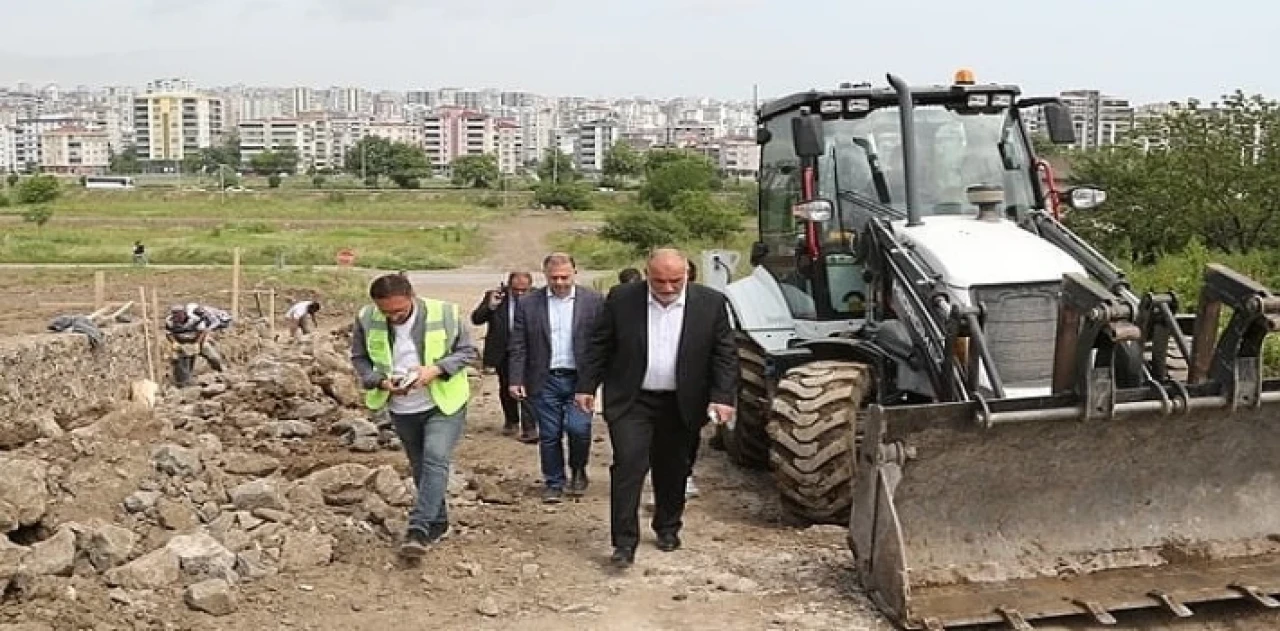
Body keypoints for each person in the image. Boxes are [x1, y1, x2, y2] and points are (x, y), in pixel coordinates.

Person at [576, 248, 738, 568]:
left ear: (688, 275)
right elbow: (599, 344)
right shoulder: (622, 299)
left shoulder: (710, 303)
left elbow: (725, 354)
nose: (667, 288)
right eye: (659, 281)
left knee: (674, 468)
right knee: (628, 465)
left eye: (675, 281)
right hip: (632, 399)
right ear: (647, 274)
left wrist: (722, 396)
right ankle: (624, 543)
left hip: (682, 401)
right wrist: (586, 386)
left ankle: (667, 526)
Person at [349, 273, 478, 559]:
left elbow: (468, 351)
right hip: (402, 407)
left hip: (443, 402)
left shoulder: (445, 313)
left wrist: (436, 370)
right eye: (386, 312)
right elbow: (359, 358)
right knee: (420, 466)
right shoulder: (367, 318)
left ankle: (418, 529)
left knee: (435, 457)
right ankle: (438, 522)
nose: (393, 317)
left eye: (399, 310)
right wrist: (381, 382)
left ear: (412, 297)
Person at [509, 254, 605, 503]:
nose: (560, 282)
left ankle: (578, 469)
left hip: (580, 380)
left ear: (575, 272)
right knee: (549, 434)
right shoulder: (529, 303)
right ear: (545, 276)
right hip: (545, 378)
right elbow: (519, 343)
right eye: (554, 278)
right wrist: (516, 378)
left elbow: (601, 343)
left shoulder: (593, 301)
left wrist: (595, 379)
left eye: (565, 277)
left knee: (579, 429)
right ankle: (554, 481)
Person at [470, 272, 536, 442]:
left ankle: (530, 428)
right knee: (506, 387)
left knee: (529, 387)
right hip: (503, 350)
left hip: (529, 350)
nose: (520, 293)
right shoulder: (496, 296)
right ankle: (511, 420)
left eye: (524, 290)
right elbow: (476, 319)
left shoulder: (538, 297)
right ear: (508, 286)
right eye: (516, 290)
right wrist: (490, 306)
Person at [164, 304, 226, 386]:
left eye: (179, 316)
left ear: (184, 314)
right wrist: (174, 343)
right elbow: (169, 334)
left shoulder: (195, 319)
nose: (177, 319)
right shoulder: (169, 321)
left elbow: (202, 332)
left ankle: (222, 372)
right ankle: (184, 382)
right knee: (180, 364)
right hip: (182, 344)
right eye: (174, 316)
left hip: (197, 340)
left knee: (213, 357)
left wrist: (197, 343)